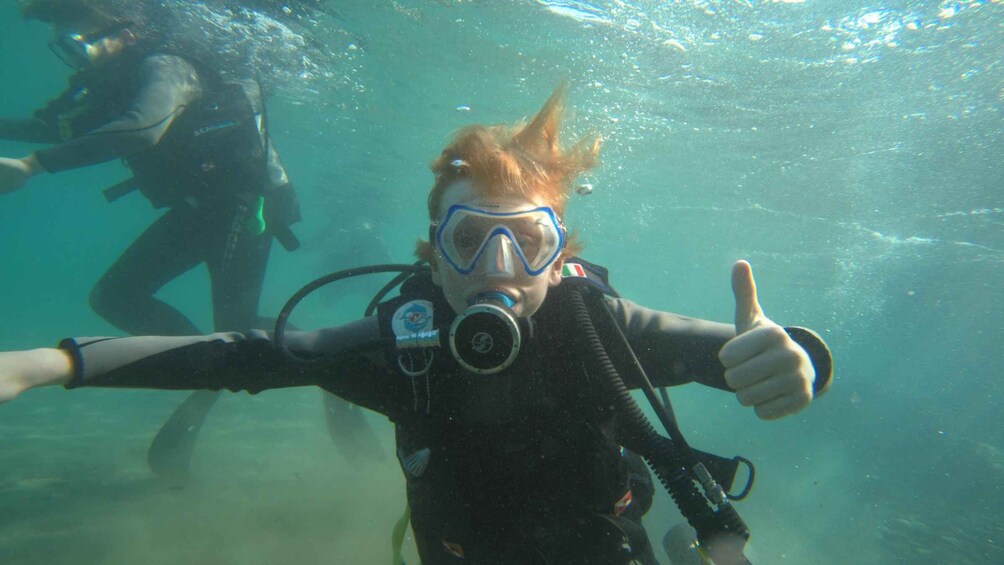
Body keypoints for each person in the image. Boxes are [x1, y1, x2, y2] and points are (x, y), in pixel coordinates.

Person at [0, 85, 833, 564]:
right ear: (433, 258)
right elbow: (243, 357)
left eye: (529, 242)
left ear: (560, 258)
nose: (499, 265)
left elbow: (740, 354)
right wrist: (50, 362)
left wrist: (795, 361)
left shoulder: (599, 327)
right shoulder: (402, 347)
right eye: (469, 240)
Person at [0, 0, 303, 482]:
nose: (72, 48)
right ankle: (204, 366)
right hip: (196, 210)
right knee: (113, 296)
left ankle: (317, 353)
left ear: (129, 29)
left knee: (237, 333)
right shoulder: (110, 81)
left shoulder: (168, 67)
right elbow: (51, 126)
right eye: (62, 37)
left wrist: (34, 165)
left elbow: (143, 129)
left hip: (243, 207)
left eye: (77, 32)